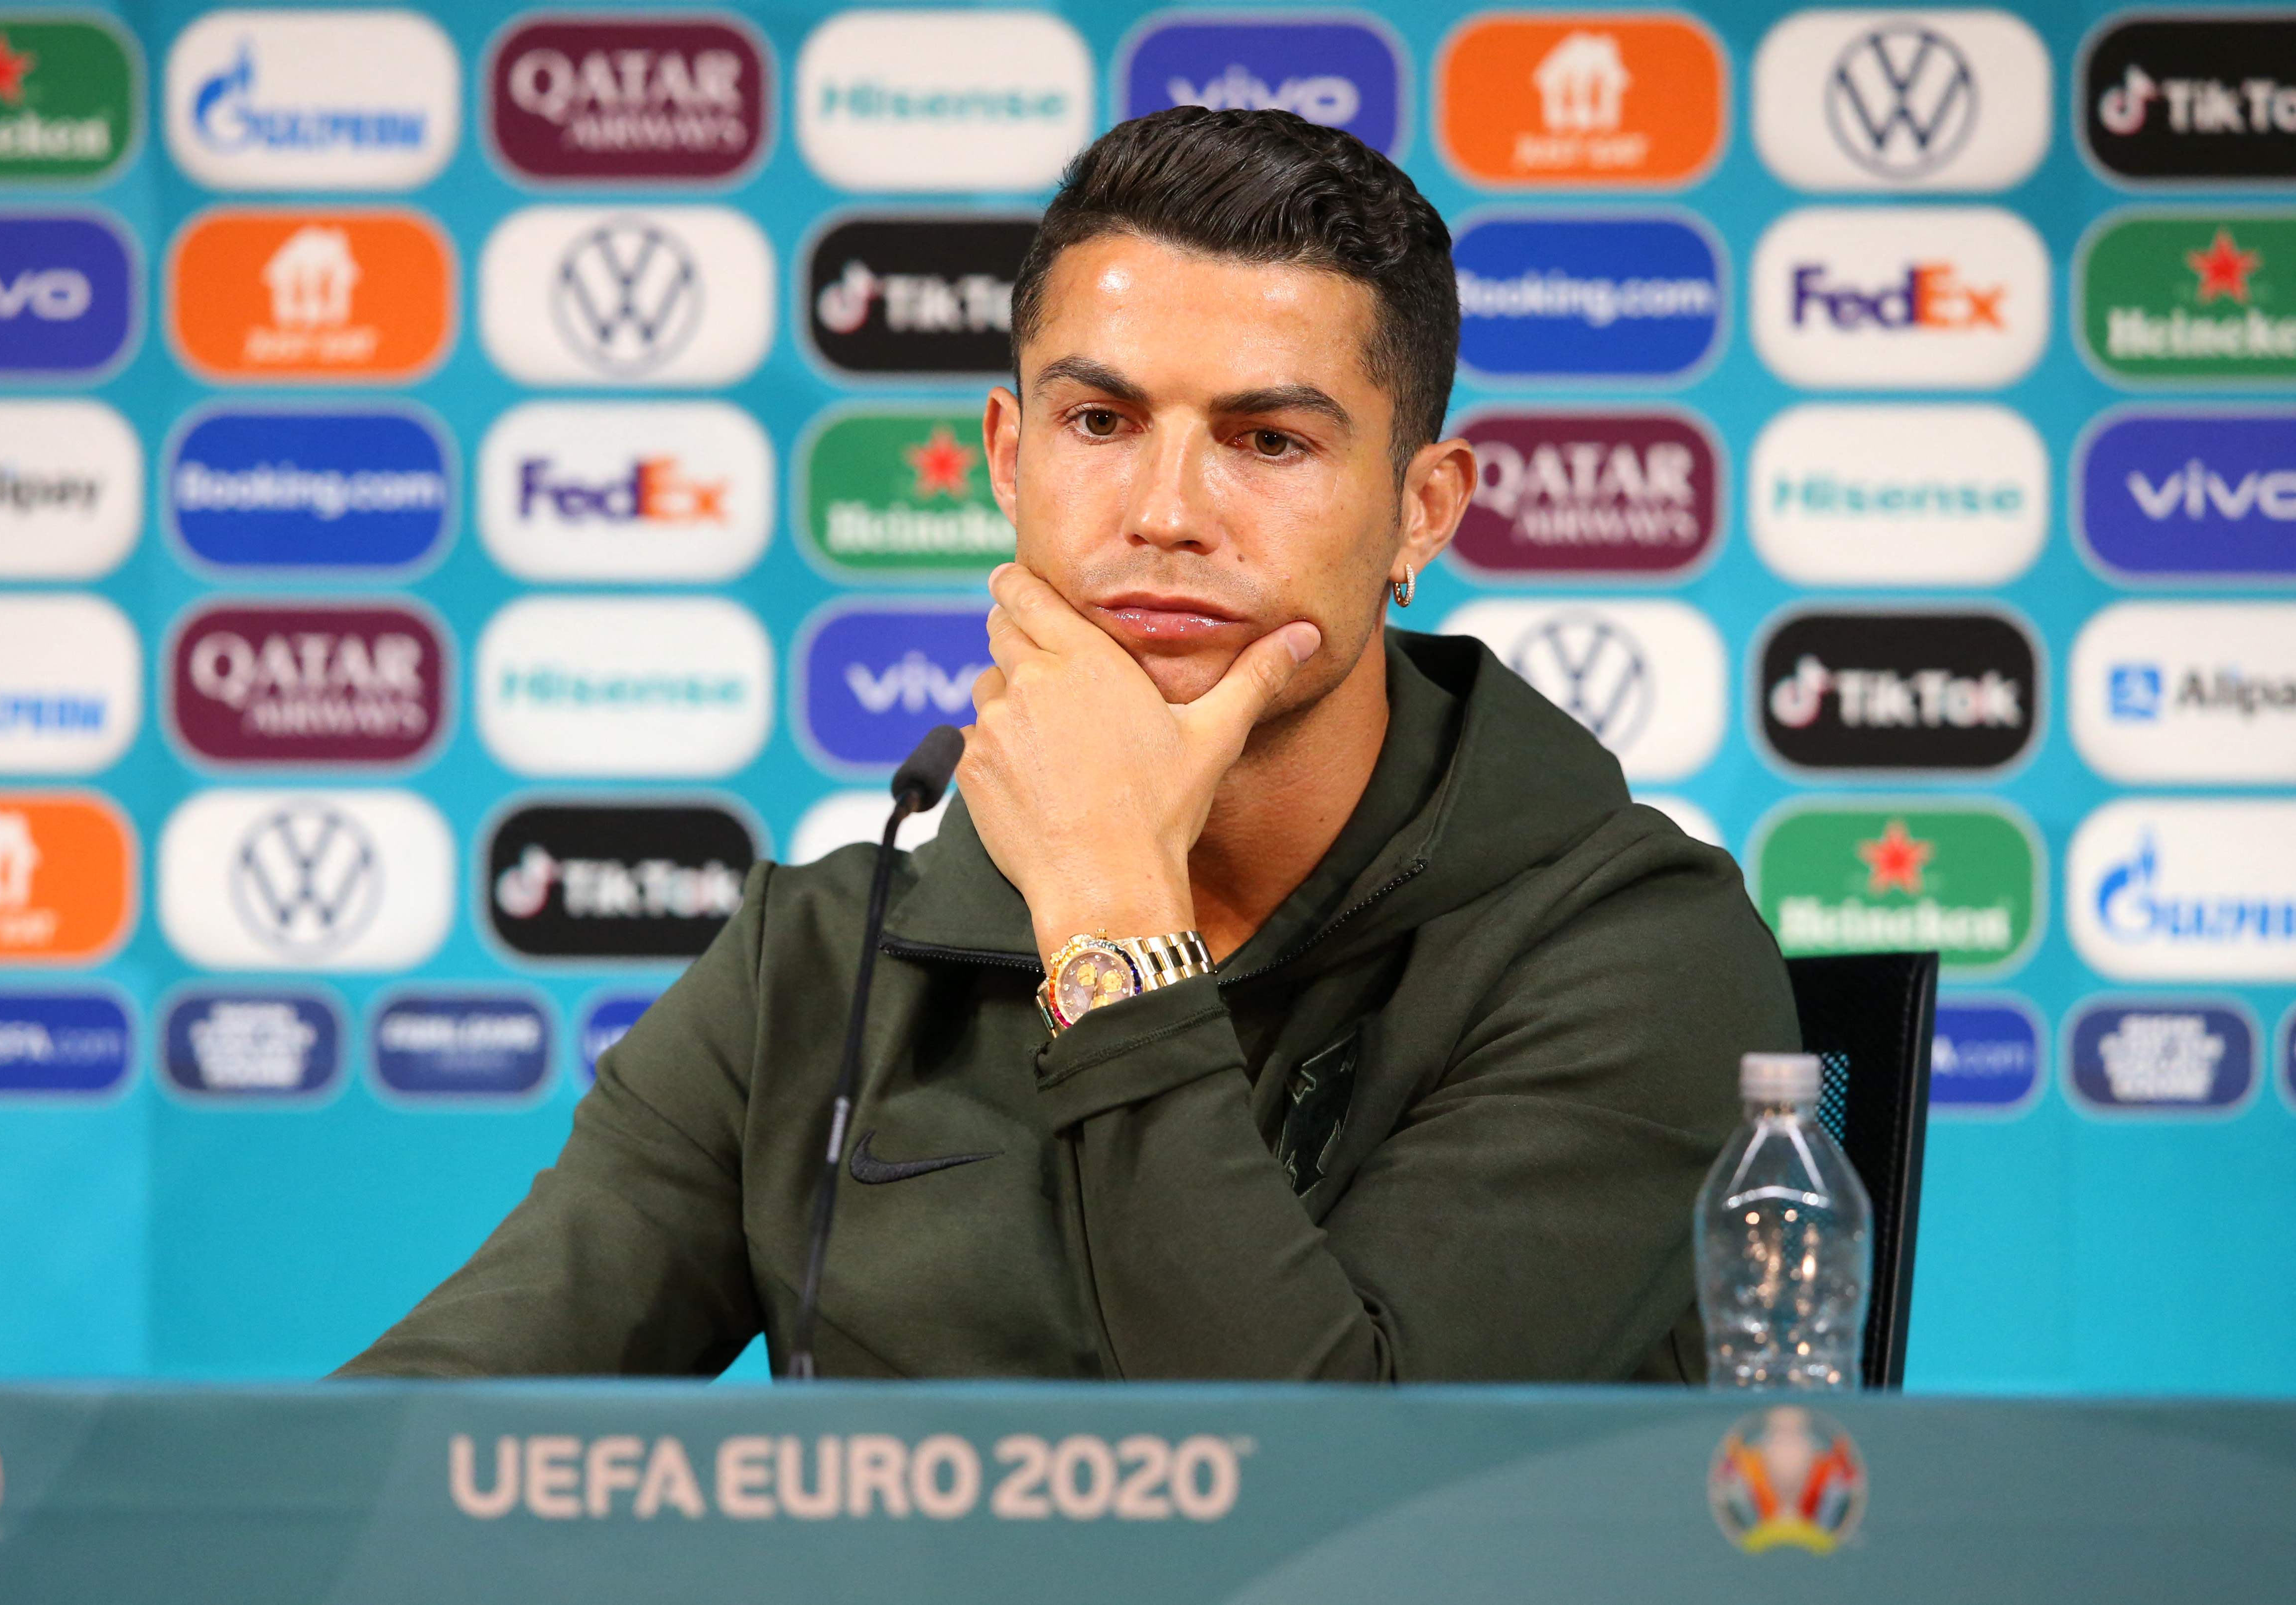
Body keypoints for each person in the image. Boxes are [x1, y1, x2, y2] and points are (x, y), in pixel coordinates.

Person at [339, 107, 1796, 1383]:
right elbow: (437, 1418)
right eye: (1099, 420)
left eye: (1267, 441)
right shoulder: (825, 961)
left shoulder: (1629, 953)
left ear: (1422, 509)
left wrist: (1110, 914)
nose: (1165, 511)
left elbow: (1326, 1504)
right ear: (1008, 458)